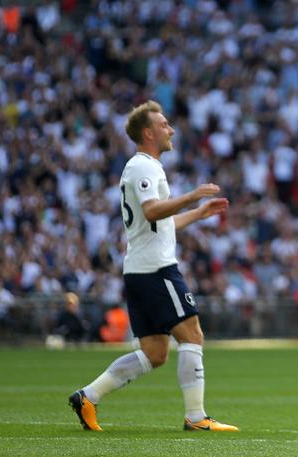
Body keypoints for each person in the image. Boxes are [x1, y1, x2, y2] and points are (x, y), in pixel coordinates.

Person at [68, 100, 238, 433]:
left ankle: (88, 396)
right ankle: (196, 417)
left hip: (139, 269)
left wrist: (198, 214)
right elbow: (151, 212)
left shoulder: (143, 167)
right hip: (157, 270)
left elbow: (161, 223)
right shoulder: (144, 166)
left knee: (155, 352)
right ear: (148, 132)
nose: (171, 129)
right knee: (193, 335)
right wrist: (192, 196)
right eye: (164, 124)